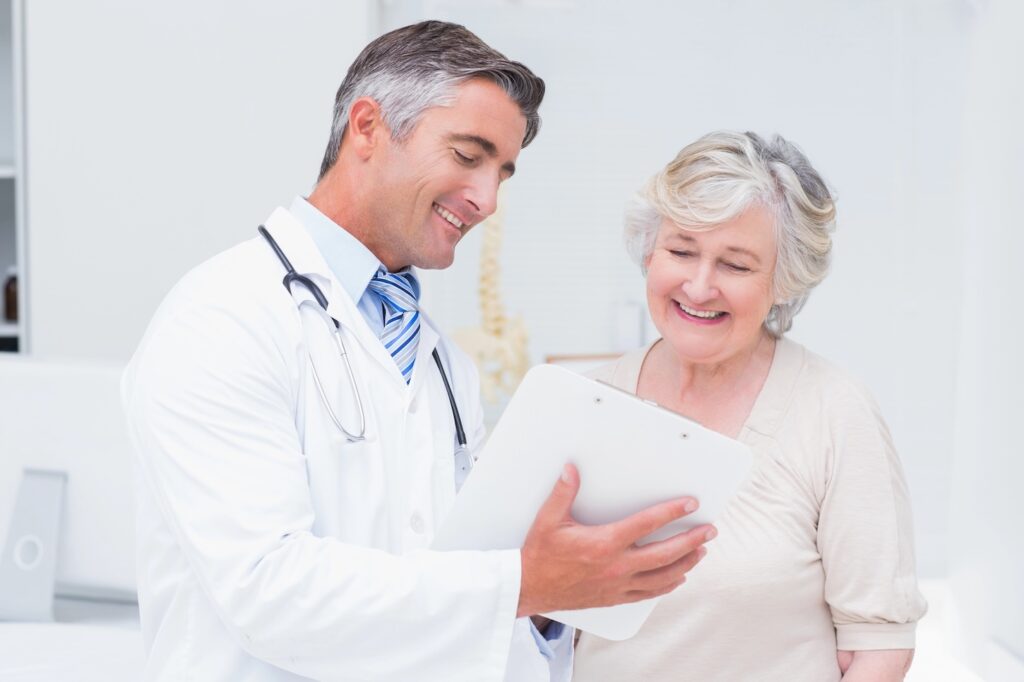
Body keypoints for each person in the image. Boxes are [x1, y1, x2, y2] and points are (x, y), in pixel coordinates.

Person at [122, 21, 714, 681]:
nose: (487, 199)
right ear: (368, 128)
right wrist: (522, 586)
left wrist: (555, 602)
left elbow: (451, 594)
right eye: (468, 155)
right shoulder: (223, 317)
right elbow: (268, 592)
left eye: (502, 172)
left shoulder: (440, 363)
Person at [572, 131, 928, 682]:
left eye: (736, 265)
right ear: (649, 251)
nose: (699, 285)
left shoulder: (834, 412)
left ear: (783, 282)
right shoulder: (585, 404)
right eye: (681, 251)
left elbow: (878, 647)